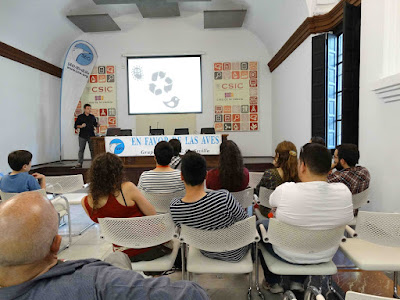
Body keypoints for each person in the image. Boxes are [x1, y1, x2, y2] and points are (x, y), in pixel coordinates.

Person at [0, 191, 209, 299]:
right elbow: (192, 295)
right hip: (147, 251)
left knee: (118, 257)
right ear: (56, 244)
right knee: (117, 261)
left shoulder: (87, 200)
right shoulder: (96, 280)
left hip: (123, 249)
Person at [258, 143, 353, 293]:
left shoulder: (286, 190)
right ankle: (298, 282)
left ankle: (273, 282)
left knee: (262, 226)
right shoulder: (344, 192)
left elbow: (271, 203)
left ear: (302, 166)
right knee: (309, 229)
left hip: (287, 253)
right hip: (325, 253)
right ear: (329, 168)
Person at [81, 152, 171, 262]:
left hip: (122, 253)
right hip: (149, 247)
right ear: (118, 171)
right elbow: (152, 215)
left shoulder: (87, 202)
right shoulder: (127, 188)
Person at [170, 151, 249, 262]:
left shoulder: (175, 207)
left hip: (206, 251)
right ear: (206, 175)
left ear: (181, 176)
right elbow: (245, 222)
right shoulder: (224, 198)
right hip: (235, 253)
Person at [254, 141, 299, 217]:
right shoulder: (299, 175)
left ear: (277, 155)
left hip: (270, 215)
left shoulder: (270, 174)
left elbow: (259, 192)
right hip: (292, 215)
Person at [74, 103, 98, 168]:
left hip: (91, 136)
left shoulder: (92, 117)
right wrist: (81, 126)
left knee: (92, 150)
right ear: (84, 109)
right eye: (88, 109)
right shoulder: (80, 117)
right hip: (82, 135)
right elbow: (76, 125)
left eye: (90, 108)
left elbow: (95, 124)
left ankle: (94, 163)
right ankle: (80, 162)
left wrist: (98, 125)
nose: (89, 110)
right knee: (81, 149)